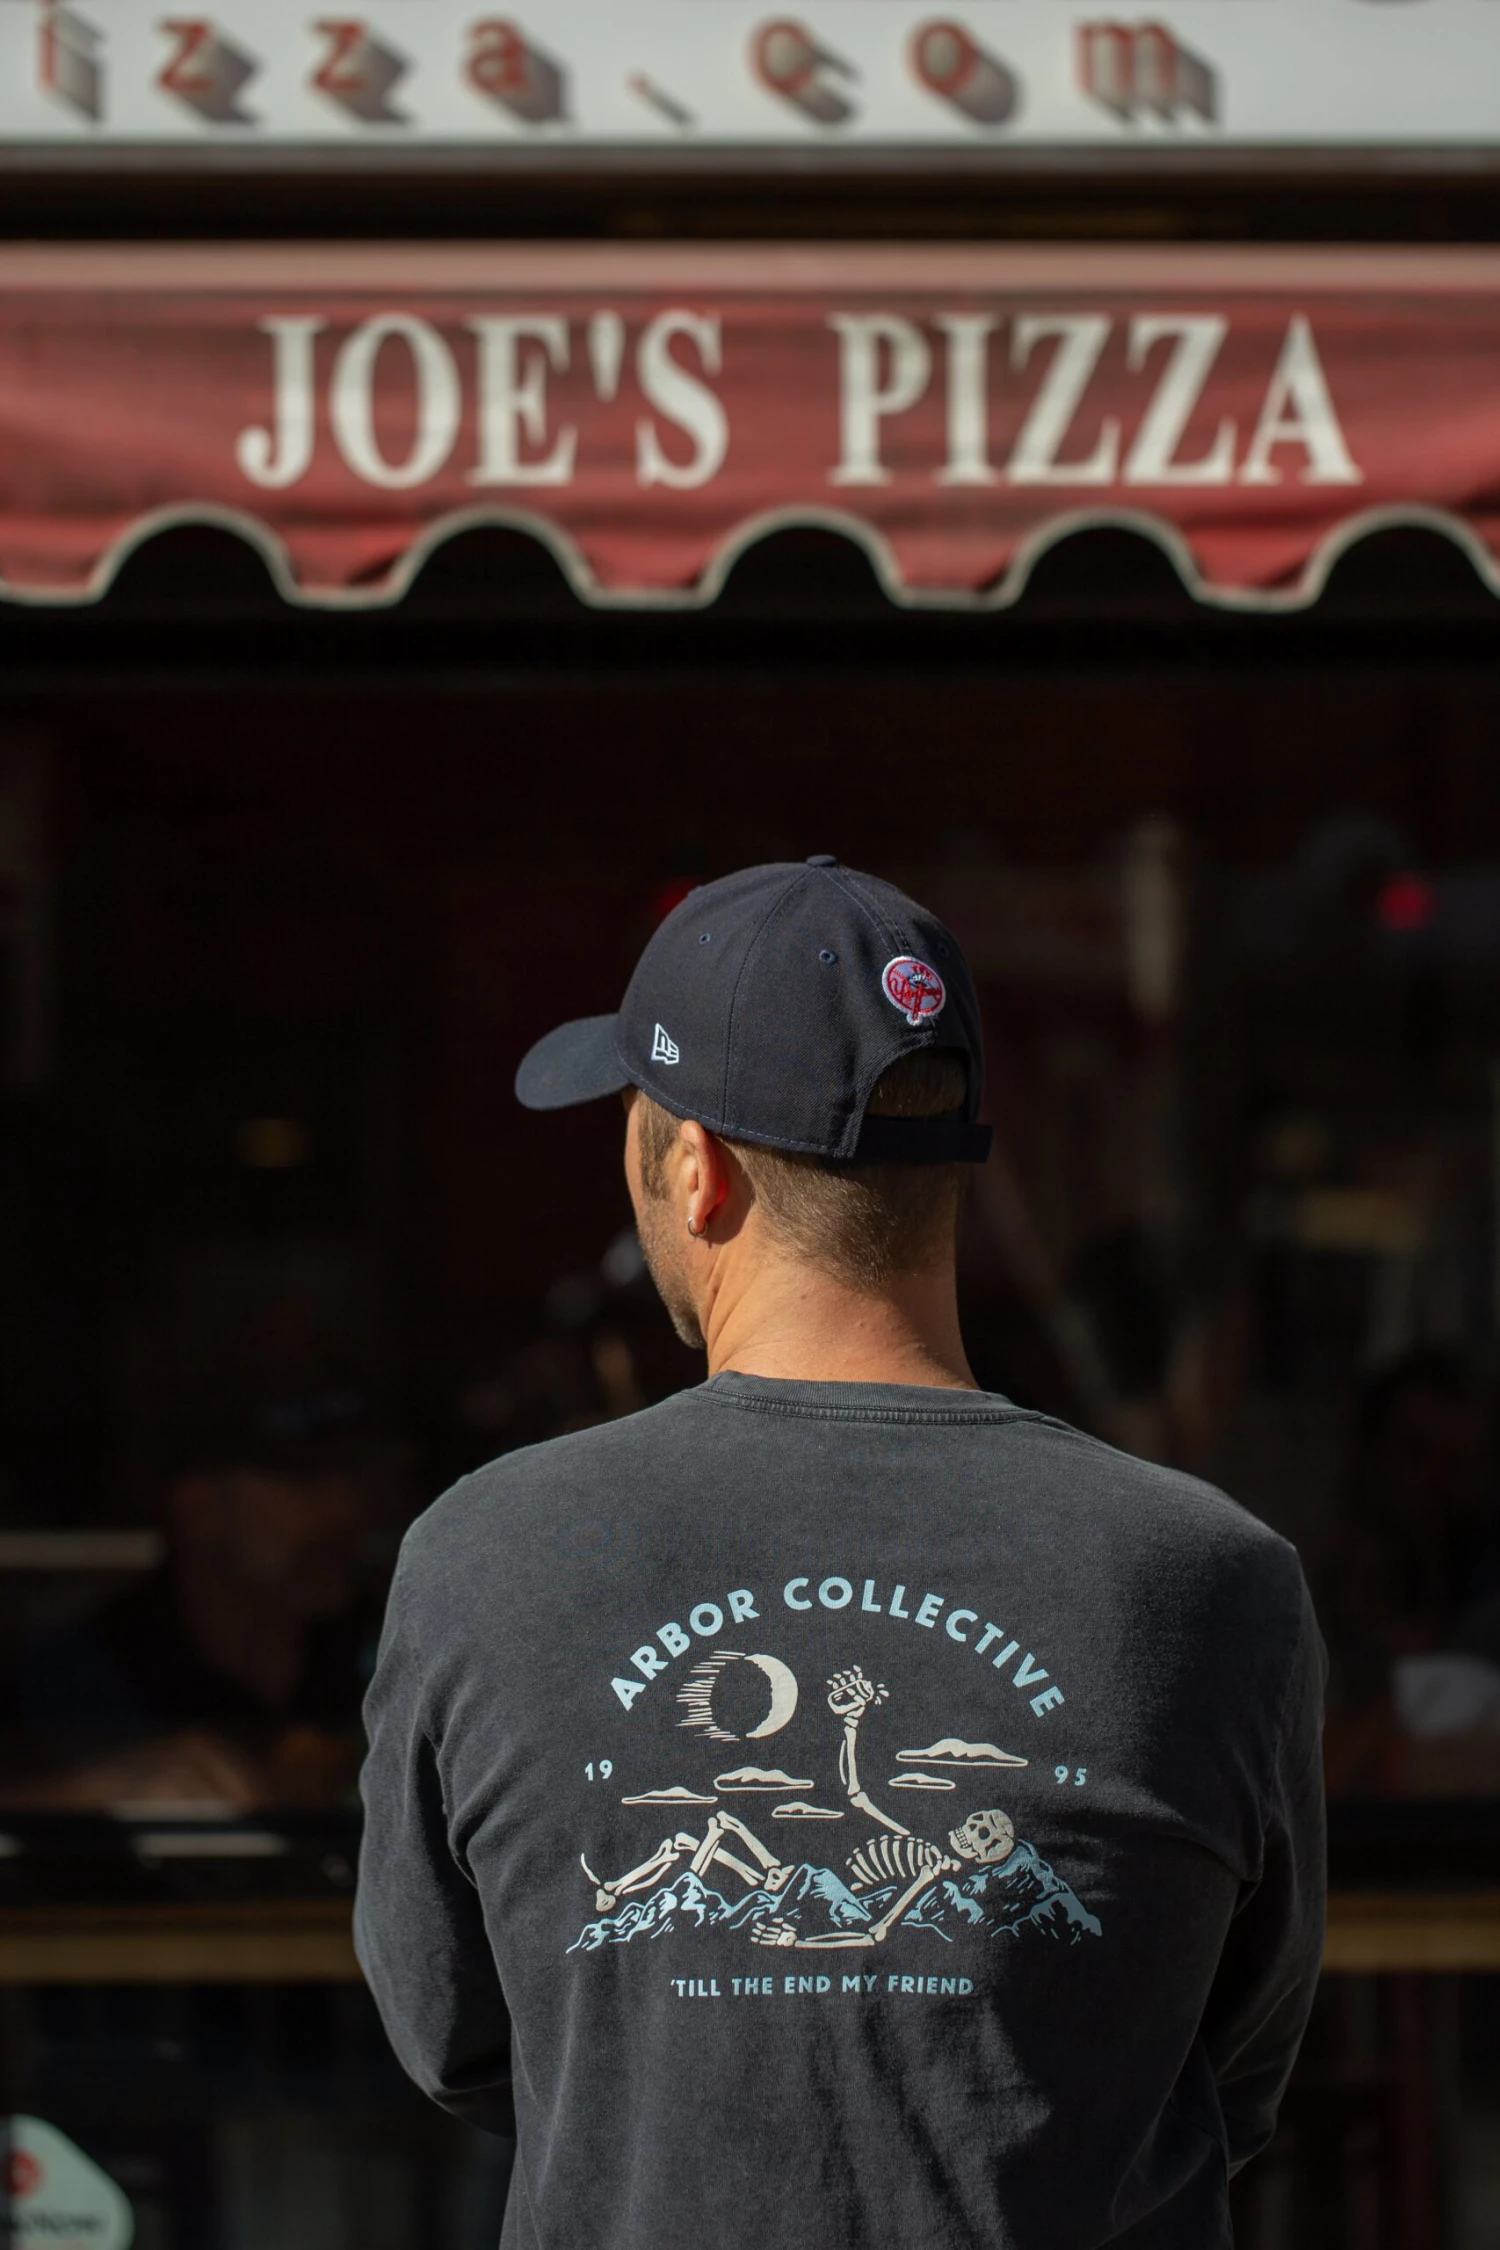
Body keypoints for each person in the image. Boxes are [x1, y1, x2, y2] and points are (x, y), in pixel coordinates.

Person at [356, 857, 1325, 2250]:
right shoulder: (1213, 1576)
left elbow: (456, 2039)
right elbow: (1232, 2062)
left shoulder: (484, 1555)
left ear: (695, 1170)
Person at [12, 1381, 376, 1810]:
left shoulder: (381, 1651)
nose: (344, 1509)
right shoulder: (81, 1678)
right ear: (198, 1505)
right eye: (304, 1482)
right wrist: (83, 1795)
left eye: (351, 1478)